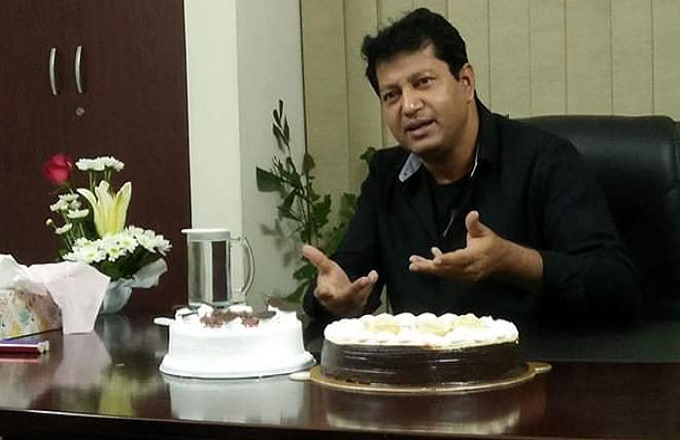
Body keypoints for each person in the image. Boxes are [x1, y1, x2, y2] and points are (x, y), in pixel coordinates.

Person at [302, 8, 641, 327]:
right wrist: (333, 296)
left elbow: (617, 285)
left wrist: (510, 259)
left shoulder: (545, 159)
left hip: (532, 363)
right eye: (391, 95)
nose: (409, 106)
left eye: (423, 82)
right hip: (420, 366)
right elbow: (347, 274)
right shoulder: (386, 175)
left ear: (466, 82)